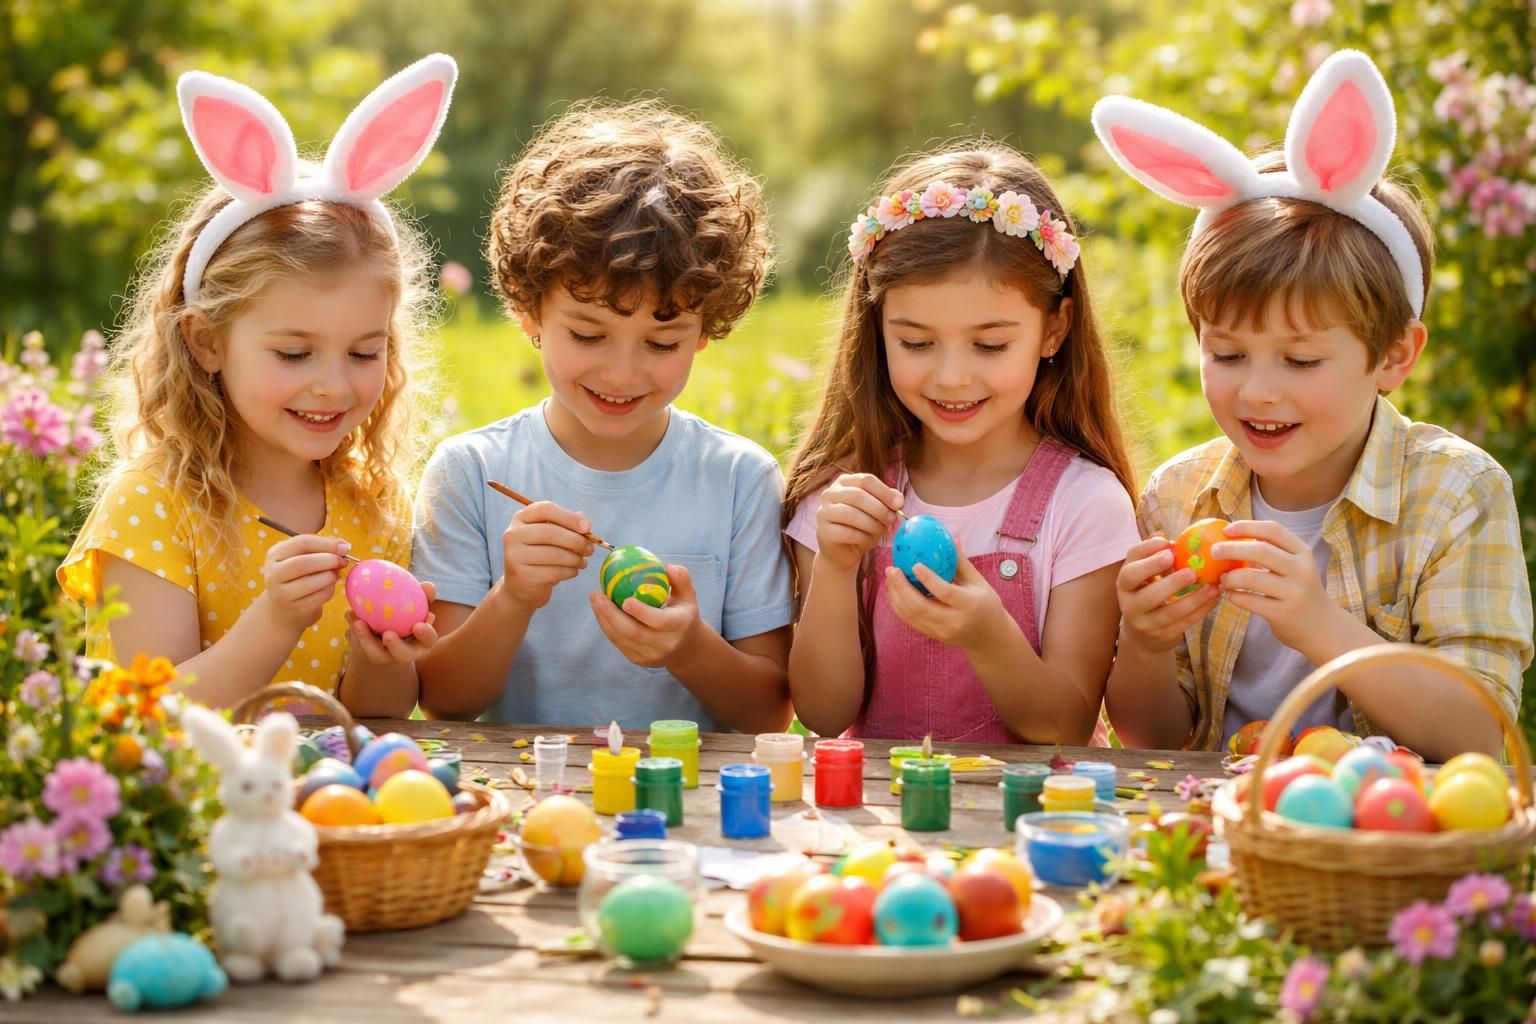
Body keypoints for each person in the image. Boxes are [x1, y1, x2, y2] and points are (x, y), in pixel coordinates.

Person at [1095, 49, 1533, 760]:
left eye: (1300, 360)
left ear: (1394, 354)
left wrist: (1321, 626)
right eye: (1227, 354)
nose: (1258, 390)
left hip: (1380, 846)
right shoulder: (1179, 497)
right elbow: (1152, 739)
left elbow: (1485, 734)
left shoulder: (1457, 494)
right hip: (1219, 831)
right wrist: (1145, 645)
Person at [59, 55, 459, 716]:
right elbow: (152, 716)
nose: (332, 385)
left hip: (332, 810)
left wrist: (377, 655)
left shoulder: (371, 502)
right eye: (295, 353)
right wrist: (274, 621)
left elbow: (380, 717)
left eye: (365, 351)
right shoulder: (155, 507)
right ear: (206, 342)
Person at [411, 101, 793, 733]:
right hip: (529, 806)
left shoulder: (738, 479)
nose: (622, 374)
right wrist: (514, 598)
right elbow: (443, 702)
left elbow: (770, 713)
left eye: (662, 343)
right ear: (530, 313)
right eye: (588, 336)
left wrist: (688, 648)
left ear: (705, 332)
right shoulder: (471, 472)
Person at [783, 144, 1141, 744]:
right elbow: (821, 713)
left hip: (1027, 827)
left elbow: (1065, 725)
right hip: (887, 826)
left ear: (1054, 329)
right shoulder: (844, 497)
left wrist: (987, 636)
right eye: (917, 344)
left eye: (990, 345)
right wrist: (838, 569)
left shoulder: (1085, 503)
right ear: (878, 332)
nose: (951, 377)